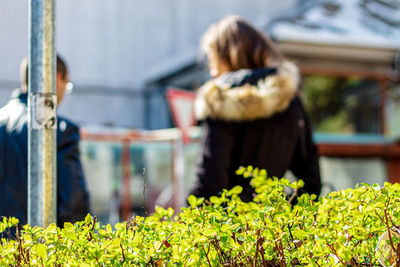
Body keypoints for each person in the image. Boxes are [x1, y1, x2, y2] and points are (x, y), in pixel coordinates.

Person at [190, 15, 321, 202]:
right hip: (272, 225)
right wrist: (284, 218)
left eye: (212, 59)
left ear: (227, 56)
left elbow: (209, 183)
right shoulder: (290, 100)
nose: (212, 71)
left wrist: (182, 223)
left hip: (229, 227)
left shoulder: (219, 100)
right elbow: (311, 180)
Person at [0, 55, 90, 227]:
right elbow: (73, 204)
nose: (64, 92)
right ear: (56, 78)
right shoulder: (59, 129)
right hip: (36, 249)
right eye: (66, 84)